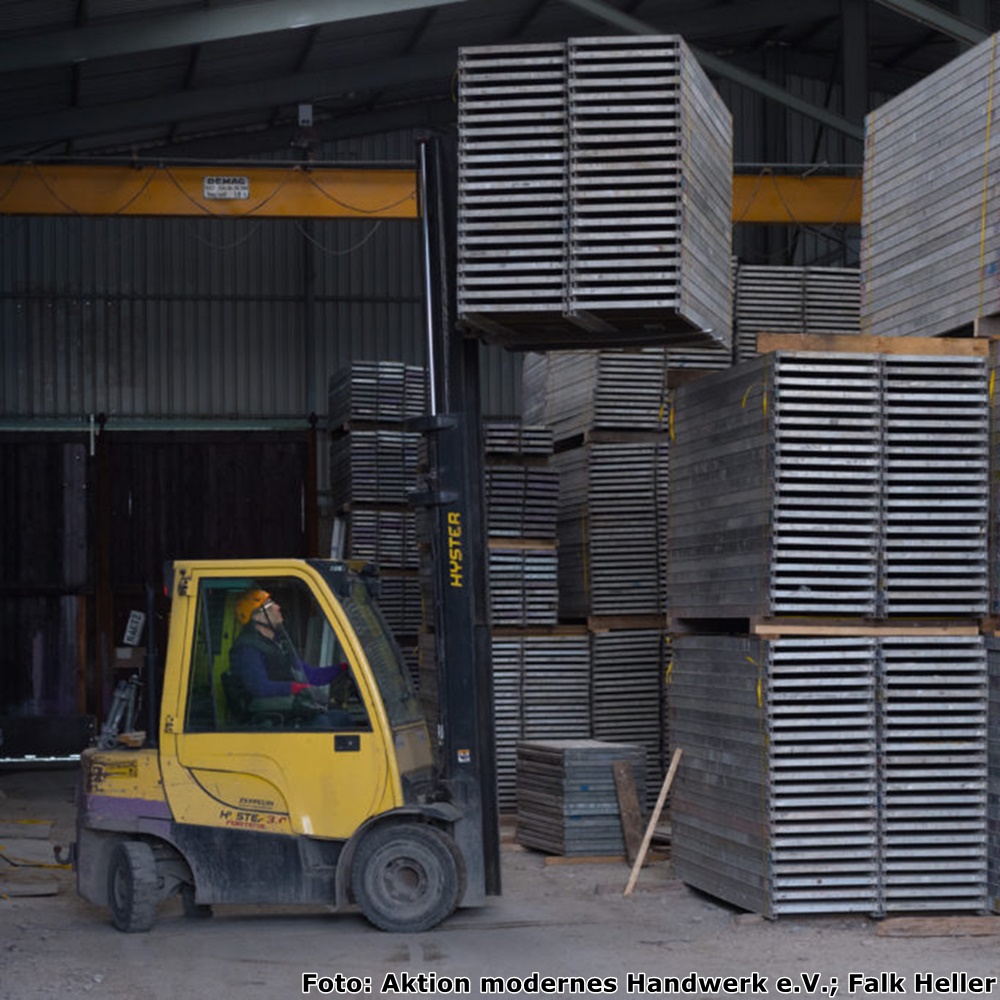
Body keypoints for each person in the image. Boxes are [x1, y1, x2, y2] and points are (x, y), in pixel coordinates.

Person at [227, 588, 352, 728]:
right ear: (258, 617)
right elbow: (259, 687)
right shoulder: (247, 649)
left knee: (341, 718)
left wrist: (344, 669)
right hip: (270, 717)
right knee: (322, 725)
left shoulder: (278, 645)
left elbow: (309, 675)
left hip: (288, 711)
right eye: (270, 604)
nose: (277, 607)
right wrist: (296, 688)